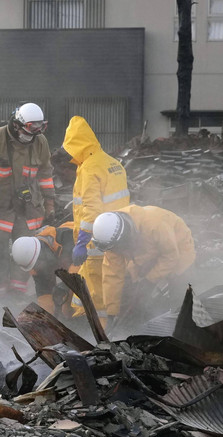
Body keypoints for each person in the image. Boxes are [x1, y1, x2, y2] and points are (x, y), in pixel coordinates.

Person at [0, 103, 56, 296]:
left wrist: (49, 204)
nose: (33, 135)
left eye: (39, 129)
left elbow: (45, 174)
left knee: (25, 251)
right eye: (31, 129)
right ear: (17, 124)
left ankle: (18, 292)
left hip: (29, 209)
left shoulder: (40, 142)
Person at [63, 116, 130, 316]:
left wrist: (83, 241)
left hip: (96, 241)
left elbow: (91, 209)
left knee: (96, 294)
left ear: (77, 144)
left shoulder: (90, 168)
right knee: (112, 284)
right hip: (119, 234)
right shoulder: (112, 163)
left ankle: (98, 336)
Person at [92, 206, 196, 327]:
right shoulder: (112, 243)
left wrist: (149, 280)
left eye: (118, 248)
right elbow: (113, 277)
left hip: (178, 248)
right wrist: (112, 313)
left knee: (180, 292)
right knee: (131, 289)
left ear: (125, 238)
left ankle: (182, 326)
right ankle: (135, 325)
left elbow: (171, 257)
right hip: (146, 252)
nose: (116, 251)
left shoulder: (155, 225)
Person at [11, 225, 77, 317]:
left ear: (41, 253)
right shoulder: (39, 261)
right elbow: (44, 294)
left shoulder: (67, 239)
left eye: (38, 264)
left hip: (96, 257)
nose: (38, 268)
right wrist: (47, 319)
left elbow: (79, 275)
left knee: (68, 303)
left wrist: (66, 288)